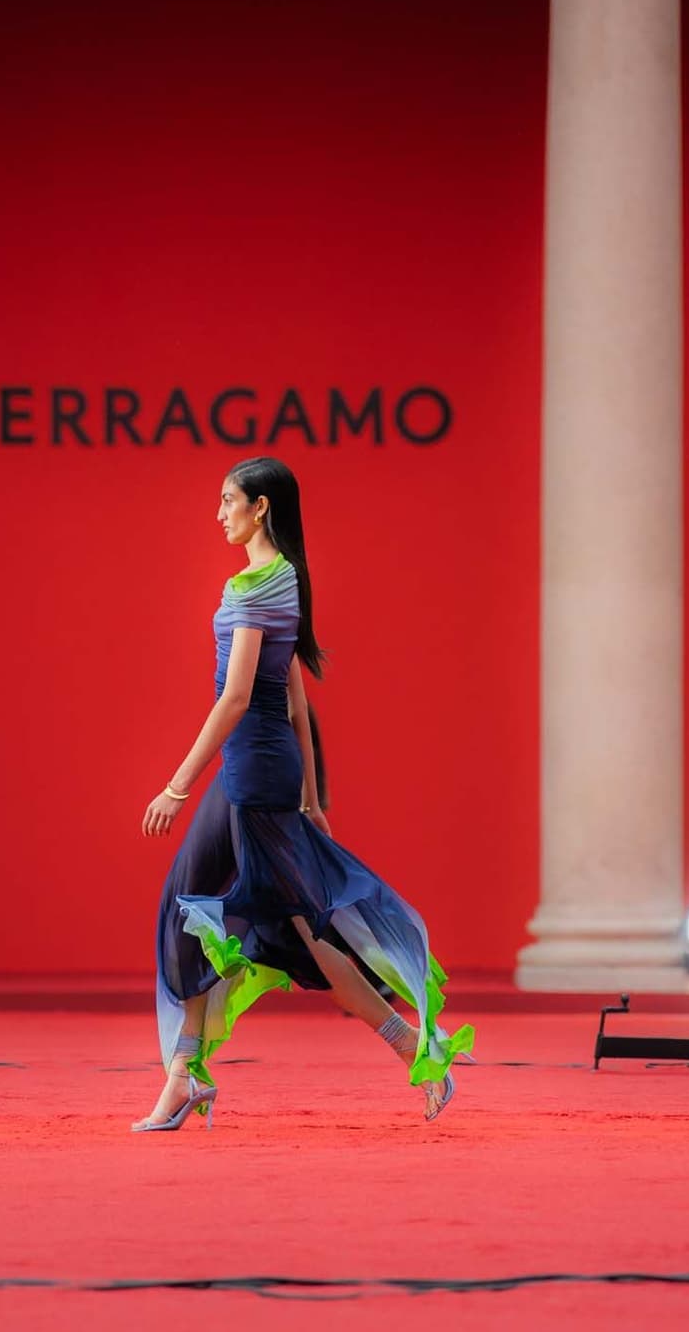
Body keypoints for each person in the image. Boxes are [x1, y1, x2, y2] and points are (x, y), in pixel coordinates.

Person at [136, 458, 473, 1132]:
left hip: (252, 772)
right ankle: (183, 1075)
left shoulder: (262, 581)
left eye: (229, 501)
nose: (219, 513)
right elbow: (295, 697)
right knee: (194, 908)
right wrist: (313, 797)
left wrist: (177, 785)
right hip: (260, 769)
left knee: (302, 928)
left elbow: (240, 698)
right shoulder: (279, 578)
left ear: (260, 507)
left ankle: (414, 1045)